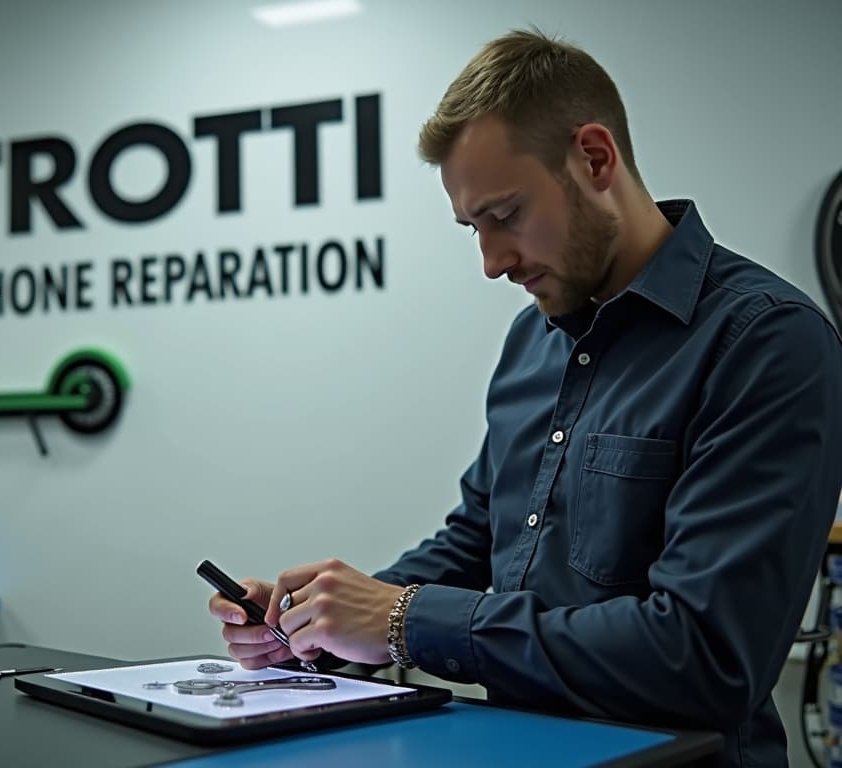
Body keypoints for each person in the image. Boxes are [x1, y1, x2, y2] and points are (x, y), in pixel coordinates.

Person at [207, 28, 842, 768]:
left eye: (504, 216)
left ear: (595, 158)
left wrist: (404, 621)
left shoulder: (768, 342)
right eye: (472, 228)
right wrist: (324, 622)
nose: (490, 261)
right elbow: (480, 542)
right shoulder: (531, 341)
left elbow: (704, 657)